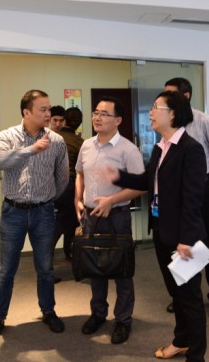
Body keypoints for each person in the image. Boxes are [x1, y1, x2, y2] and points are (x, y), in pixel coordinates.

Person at [107, 90, 208, 361]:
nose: (150, 113)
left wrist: (186, 239)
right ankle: (181, 340)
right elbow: (148, 181)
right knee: (177, 294)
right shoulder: (160, 147)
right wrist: (118, 176)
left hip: (185, 237)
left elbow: (193, 199)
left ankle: (196, 356)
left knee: (190, 298)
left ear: (172, 114)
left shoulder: (191, 149)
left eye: (156, 108)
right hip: (163, 231)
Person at [0, 89, 69, 344]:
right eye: (43, 109)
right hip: (13, 212)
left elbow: (63, 177)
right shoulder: (7, 136)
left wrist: (48, 198)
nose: (48, 113)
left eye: (49, 108)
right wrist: (30, 150)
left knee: (45, 268)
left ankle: (48, 311)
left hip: (44, 212)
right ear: (26, 112)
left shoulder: (57, 141)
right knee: (6, 270)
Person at [74, 97, 145, 344]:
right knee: (94, 267)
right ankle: (98, 313)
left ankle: (123, 320)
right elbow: (79, 174)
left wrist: (111, 200)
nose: (97, 117)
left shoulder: (128, 149)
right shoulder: (86, 145)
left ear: (118, 120)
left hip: (117, 216)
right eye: (96, 112)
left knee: (121, 269)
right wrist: (77, 199)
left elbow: (141, 187)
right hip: (91, 216)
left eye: (104, 114)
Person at [164, 77, 209, 320]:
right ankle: (185, 297)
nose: (166, 99)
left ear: (186, 96)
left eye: (171, 94)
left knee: (207, 246)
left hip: (200, 191)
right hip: (175, 194)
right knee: (181, 245)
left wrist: (208, 182)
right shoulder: (169, 122)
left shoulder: (203, 121)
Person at [53, 107, 84, 264]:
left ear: (64, 120)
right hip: (69, 184)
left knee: (63, 219)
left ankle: (59, 253)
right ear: (79, 123)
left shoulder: (53, 137)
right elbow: (81, 169)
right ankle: (65, 253)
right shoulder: (79, 142)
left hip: (51, 184)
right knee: (68, 220)